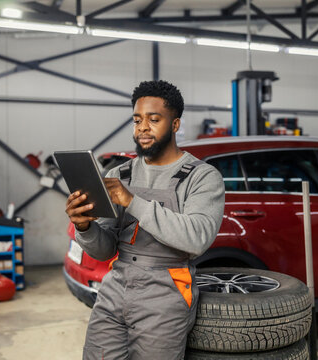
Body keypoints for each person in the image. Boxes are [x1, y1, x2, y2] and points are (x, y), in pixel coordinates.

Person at [65, 80, 225, 360]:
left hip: (166, 292)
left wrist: (132, 201)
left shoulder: (202, 176)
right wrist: (84, 226)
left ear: (175, 124)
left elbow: (197, 237)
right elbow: (105, 250)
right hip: (115, 286)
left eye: (154, 119)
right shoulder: (119, 174)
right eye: (137, 120)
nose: (142, 127)